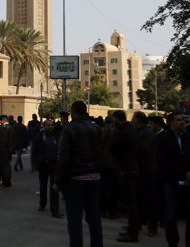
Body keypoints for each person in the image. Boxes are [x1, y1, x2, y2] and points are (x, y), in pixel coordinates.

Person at [54, 101, 103, 247]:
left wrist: (58, 180)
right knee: (94, 217)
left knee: (75, 220)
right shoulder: (96, 128)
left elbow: (63, 157)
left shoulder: (69, 129)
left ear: (73, 112)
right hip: (94, 177)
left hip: (75, 179)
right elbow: (100, 152)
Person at [158, 113, 190, 247]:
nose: (182, 122)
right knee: (171, 216)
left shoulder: (188, 138)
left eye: (183, 120)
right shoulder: (163, 139)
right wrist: (183, 173)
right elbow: (163, 160)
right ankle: (172, 242)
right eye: (178, 120)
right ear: (170, 122)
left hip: (189, 181)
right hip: (171, 181)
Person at [111, 110, 141, 243]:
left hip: (127, 170)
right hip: (131, 168)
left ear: (116, 120)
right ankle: (132, 228)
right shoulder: (131, 130)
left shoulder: (123, 132)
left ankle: (132, 233)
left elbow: (113, 147)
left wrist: (115, 133)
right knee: (131, 203)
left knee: (130, 203)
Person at [32, 118, 62, 217]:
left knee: (54, 187)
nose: (50, 127)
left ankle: (55, 209)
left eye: (51, 125)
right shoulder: (39, 137)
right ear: (44, 126)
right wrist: (35, 164)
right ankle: (42, 204)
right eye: (48, 125)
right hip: (43, 165)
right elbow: (34, 152)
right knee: (43, 186)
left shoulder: (57, 136)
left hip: (54, 165)